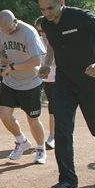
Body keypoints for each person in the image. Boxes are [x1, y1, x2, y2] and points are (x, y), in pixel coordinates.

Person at [38, 0, 95, 188]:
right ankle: (68, 179)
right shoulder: (46, 23)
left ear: (61, 1)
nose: (47, 13)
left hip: (90, 82)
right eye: (43, 9)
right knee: (62, 129)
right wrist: (47, 63)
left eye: (51, 8)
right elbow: (53, 44)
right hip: (64, 83)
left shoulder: (81, 17)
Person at [0, 10, 47, 164]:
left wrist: (12, 67)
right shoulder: (1, 31)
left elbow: (37, 61)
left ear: (15, 21)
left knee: (33, 120)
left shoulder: (29, 32)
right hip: (11, 82)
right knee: (4, 114)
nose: (7, 32)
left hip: (31, 82)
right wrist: (2, 59)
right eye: (4, 30)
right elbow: (0, 52)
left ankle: (40, 149)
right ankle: (21, 141)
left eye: (10, 29)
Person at [34, 16, 56, 150]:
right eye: (39, 31)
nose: (42, 34)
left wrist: (46, 63)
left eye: (43, 30)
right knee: (51, 109)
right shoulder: (39, 41)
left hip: (59, 78)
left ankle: (53, 136)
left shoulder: (57, 38)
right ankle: (53, 135)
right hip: (45, 79)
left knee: (55, 108)